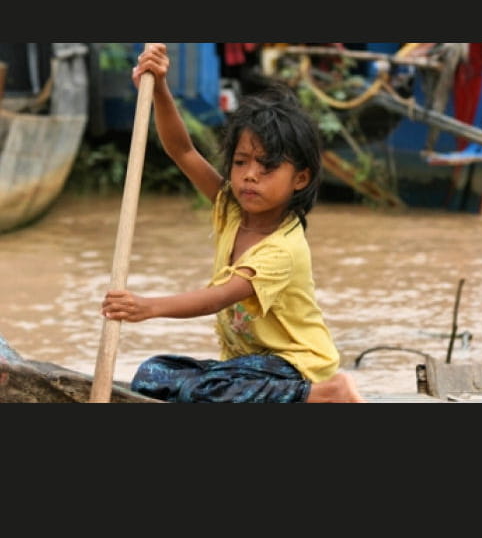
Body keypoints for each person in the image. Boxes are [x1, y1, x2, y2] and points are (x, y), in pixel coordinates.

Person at [101, 43, 366, 403]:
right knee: (152, 374)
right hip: (247, 367)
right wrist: (160, 87)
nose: (249, 176)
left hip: (294, 367)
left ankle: (328, 394)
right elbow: (182, 150)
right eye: (241, 162)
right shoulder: (232, 209)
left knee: (210, 390)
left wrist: (148, 307)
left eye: (267, 167)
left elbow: (217, 299)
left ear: (300, 179)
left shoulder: (282, 249)